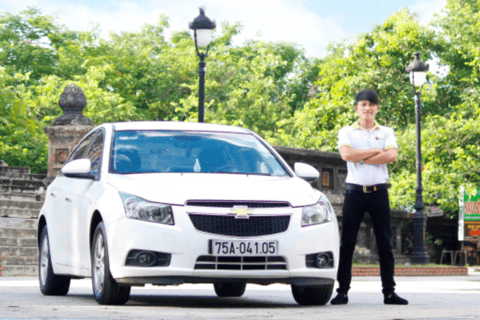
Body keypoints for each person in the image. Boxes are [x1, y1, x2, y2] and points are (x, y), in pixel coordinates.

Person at [330, 89, 408, 305]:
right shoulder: (346, 131)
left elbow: (391, 155)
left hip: (379, 192)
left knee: (385, 242)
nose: (367, 108)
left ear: (377, 108)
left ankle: (389, 292)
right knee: (347, 243)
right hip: (354, 192)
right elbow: (346, 155)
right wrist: (375, 152)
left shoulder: (386, 131)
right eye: (362, 104)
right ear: (356, 108)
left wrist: (361, 157)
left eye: (371, 104)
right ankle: (342, 291)